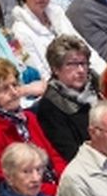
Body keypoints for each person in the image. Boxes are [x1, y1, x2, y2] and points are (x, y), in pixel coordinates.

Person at [0, 58, 65, 191]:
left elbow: (54, 157)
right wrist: (59, 193)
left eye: (15, 85)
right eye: (4, 89)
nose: (14, 92)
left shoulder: (29, 118)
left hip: (59, 187)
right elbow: (12, 183)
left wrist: (67, 183)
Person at [11, 0, 104, 79]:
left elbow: (83, 47)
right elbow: (42, 73)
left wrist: (105, 73)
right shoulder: (20, 30)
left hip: (84, 76)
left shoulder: (57, 14)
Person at [35, 34, 100, 162]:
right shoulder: (50, 106)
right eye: (72, 64)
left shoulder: (98, 87)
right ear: (55, 69)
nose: (81, 70)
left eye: (83, 63)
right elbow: (70, 154)